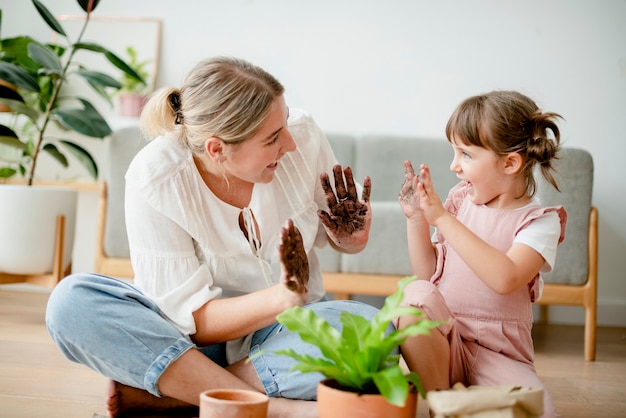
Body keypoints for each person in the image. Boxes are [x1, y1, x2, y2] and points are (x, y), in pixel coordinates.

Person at [45, 56, 377, 418]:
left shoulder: (303, 135)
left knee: (369, 332)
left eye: (284, 127)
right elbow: (195, 321)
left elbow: (342, 237)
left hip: (288, 335)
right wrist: (283, 296)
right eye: (272, 139)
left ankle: (177, 394)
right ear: (217, 149)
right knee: (70, 303)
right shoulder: (156, 178)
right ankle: (278, 410)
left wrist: (351, 238)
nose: (290, 145)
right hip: (192, 344)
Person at [396, 90, 567, 418]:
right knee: (413, 294)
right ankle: (440, 404)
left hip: (500, 355)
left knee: (540, 412)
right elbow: (427, 276)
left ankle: (469, 401)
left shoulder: (540, 222)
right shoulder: (460, 201)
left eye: (466, 154)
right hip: (446, 343)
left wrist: (442, 218)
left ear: (510, 163)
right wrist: (418, 219)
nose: (454, 166)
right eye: (454, 152)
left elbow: (505, 277)